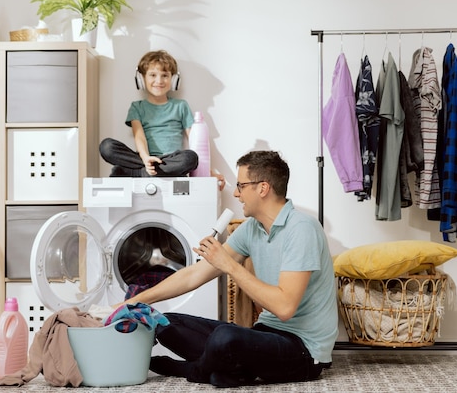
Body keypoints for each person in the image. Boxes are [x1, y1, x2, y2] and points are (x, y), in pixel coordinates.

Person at [121, 150, 338, 388]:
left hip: (303, 349)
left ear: (262, 188)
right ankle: (230, 370)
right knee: (164, 322)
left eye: (241, 186)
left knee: (226, 338)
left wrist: (228, 264)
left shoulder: (302, 228)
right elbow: (195, 274)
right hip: (265, 333)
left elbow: (285, 308)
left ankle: (194, 369)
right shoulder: (252, 228)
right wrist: (134, 303)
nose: (236, 193)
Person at [100, 50, 224, 186]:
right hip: (143, 158)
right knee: (107, 146)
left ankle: (142, 173)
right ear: (142, 79)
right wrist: (146, 158)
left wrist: (210, 173)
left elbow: (195, 142)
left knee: (190, 158)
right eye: (153, 75)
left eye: (165, 75)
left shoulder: (181, 106)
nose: (159, 81)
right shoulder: (137, 107)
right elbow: (139, 136)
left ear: (173, 79)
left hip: (170, 160)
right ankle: (148, 169)